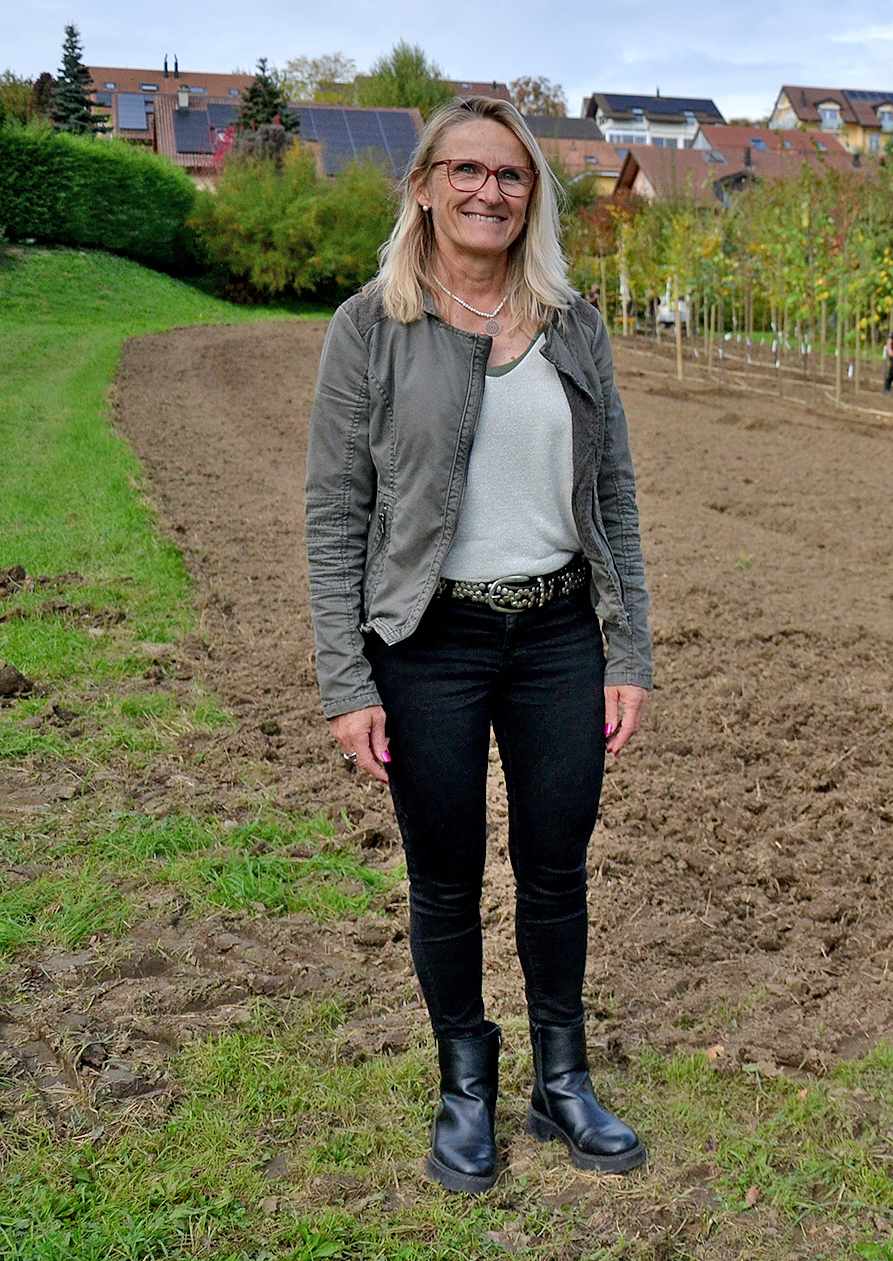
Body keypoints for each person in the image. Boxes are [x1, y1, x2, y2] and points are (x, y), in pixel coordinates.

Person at [305, 96, 657, 1195]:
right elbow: (333, 512)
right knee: (444, 876)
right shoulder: (371, 326)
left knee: (555, 870)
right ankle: (467, 1087)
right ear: (423, 185)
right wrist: (344, 678)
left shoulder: (573, 322)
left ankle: (562, 1079)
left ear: (531, 196)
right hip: (428, 642)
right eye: (465, 170)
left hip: (556, 635)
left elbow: (612, 495)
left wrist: (625, 649)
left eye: (509, 176)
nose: (487, 192)